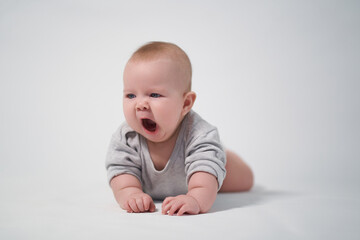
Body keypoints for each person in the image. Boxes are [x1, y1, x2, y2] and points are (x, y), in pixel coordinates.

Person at [105, 41, 253, 216]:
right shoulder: (126, 137)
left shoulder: (199, 134)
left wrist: (196, 199)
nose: (140, 104)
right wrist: (131, 194)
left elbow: (204, 183)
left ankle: (222, 156)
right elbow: (120, 172)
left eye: (154, 94)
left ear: (185, 103)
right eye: (131, 95)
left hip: (207, 166)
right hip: (160, 182)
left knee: (243, 180)